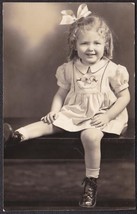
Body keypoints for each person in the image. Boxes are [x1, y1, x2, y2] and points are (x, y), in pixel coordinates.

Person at [4, 4, 130, 208]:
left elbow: (124, 97)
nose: (91, 48)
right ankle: (15, 135)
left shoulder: (112, 69)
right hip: (77, 111)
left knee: (89, 135)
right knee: (49, 123)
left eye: (97, 43)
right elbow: (61, 93)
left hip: (104, 115)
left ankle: (91, 182)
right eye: (85, 43)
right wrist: (54, 111)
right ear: (75, 44)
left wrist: (107, 116)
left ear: (105, 44)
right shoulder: (69, 68)